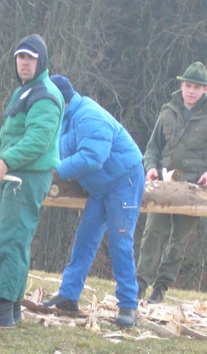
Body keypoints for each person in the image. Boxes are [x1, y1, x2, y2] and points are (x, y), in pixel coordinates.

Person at [0, 34, 64, 327]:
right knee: (14, 240)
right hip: (15, 174)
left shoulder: (46, 95)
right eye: (20, 57)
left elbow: (38, 140)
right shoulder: (25, 91)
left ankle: (2, 309)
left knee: (13, 241)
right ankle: (10, 305)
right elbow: (15, 136)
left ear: (42, 62)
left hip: (26, 176)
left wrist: (5, 163)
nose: (24, 63)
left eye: (31, 58)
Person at [44, 75, 144, 328]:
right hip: (100, 186)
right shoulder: (64, 120)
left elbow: (92, 157)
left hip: (124, 180)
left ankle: (129, 306)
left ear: (60, 101)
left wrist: (54, 172)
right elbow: (55, 153)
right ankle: (68, 296)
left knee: (120, 242)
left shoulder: (89, 116)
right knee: (85, 239)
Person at [136, 61, 207, 304]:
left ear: (204, 90)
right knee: (151, 236)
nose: (191, 91)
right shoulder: (167, 112)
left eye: (197, 87)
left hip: (193, 191)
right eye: (188, 85)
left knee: (178, 243)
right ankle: (138, 287)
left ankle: (161, 288)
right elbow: (152, 148)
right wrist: (152, 167)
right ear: (181, 86)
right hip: (164, 187)